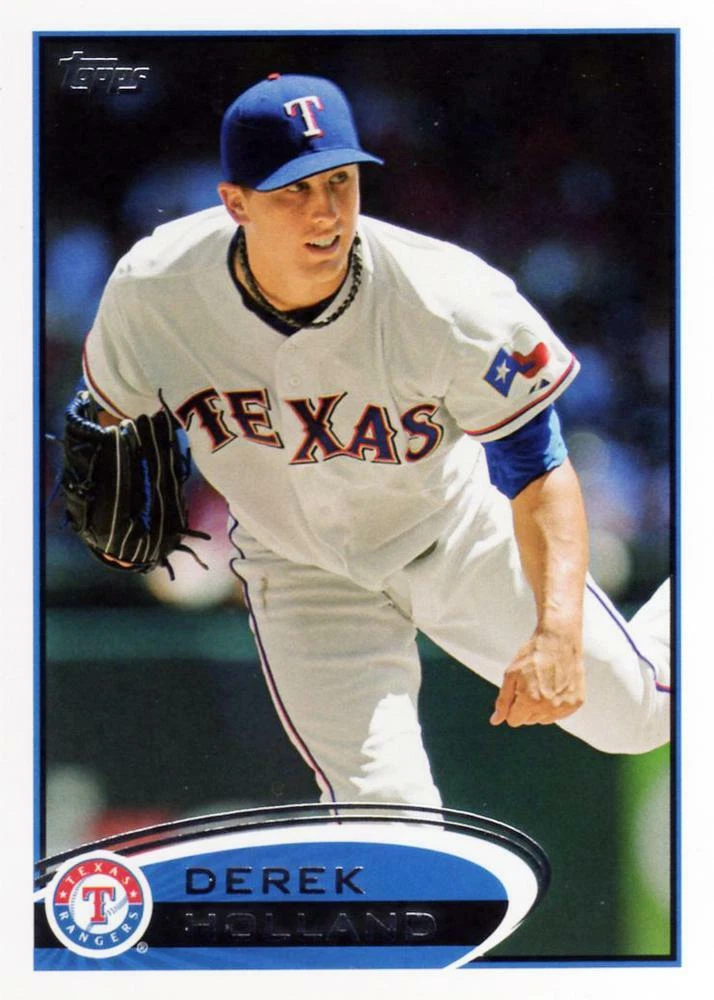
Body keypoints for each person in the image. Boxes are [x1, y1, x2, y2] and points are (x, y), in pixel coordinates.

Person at [78, 73, 671, 807]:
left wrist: (556, 629)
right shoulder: (156, 289)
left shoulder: (447, 298)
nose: (326, 210)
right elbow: (104, 418)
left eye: (341, 180)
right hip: (301, 570)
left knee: (635, 717)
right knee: (383, 809)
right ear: (235, 202)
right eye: (295, 188)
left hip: (451, 536)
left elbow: (538, 468)